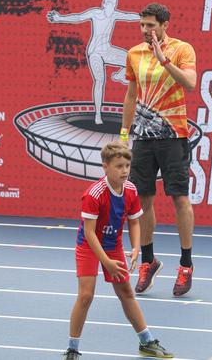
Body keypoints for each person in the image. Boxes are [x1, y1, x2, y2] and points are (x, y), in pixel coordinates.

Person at [63, 142, 173, 360]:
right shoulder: (94, 194)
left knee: (126, 293)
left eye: (127, 166)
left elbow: (134, 222)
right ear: (105, 167)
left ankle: (147, 341)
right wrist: (107, 262)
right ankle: (72, 349)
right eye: (119, 166)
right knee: (86, 296)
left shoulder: (131, 190)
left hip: (113, 245)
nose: (124, 171)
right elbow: (90, 233)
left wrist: (134, 248)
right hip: (89, 246)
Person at [120, 2, 197, 297]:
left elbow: (190, 83)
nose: (145, 31)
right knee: (142, 201)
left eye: (151, 25)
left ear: (165, 25)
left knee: (179, 199)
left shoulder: (182, 49)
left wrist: (164, 60)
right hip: (143, 137)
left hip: (173, 135)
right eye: (142, 25)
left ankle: (186, 264)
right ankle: (148, 261)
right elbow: (130, 95)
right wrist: (124, 135)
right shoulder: (133, 53)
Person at [47, 0, 140, 124]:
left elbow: (130, 16)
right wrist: (59, 18)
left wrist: (145, 16)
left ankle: (118, 76)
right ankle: (98, 114)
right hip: (95, 52)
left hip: (107, 50)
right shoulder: (95, 13)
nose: (111, 6)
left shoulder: (114, 14)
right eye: (108, 3)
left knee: (131, 59)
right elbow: (78, 17)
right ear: (103, 4)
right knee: (100, 81)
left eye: (113, 4)